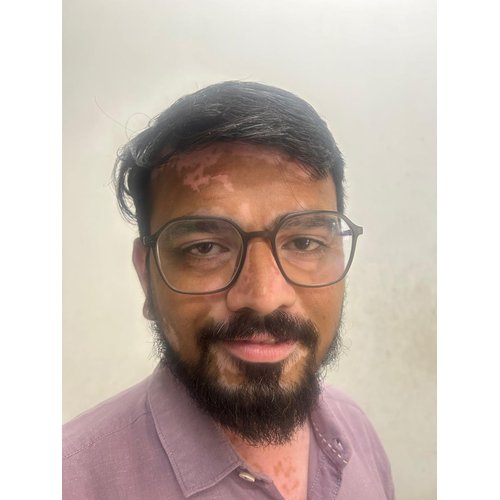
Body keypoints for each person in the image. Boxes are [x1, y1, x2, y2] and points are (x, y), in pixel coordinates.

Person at [63, 81, 395, 499]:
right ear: (147, 275)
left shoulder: (358, 435)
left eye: (304, 242)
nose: (264, 297)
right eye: (205, 248)